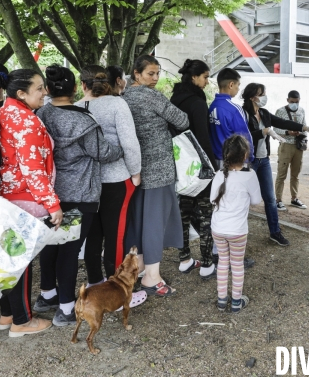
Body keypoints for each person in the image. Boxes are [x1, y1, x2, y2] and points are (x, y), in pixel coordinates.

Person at [35, 65, 127, 326]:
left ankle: (47, 294)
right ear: (77, 88)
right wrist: (119, 147)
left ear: (48, 90)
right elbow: (104, 153)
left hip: (50, 193)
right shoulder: (82, 121)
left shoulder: (41, 114)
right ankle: (65, 308)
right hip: (80, 194)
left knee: (51, 244)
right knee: (70, 249)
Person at [0, 68, 59, 337]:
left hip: (4, 197)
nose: (45, 93)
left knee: (4, 259)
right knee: (20, 262)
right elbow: (33, 169)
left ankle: (7, 315)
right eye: (40, 88)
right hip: (25, 198)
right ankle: (22, 321)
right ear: (21, 93)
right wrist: (52, 203)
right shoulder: (26, 121)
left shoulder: (1, 114)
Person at [74, 65, 143, 301]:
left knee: (93, 232)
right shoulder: (117, 104)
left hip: (85, 181)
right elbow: (129, 143)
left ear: (83, 84)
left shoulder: (75, 107)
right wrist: (135, 172)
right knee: (116, 235)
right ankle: (119, 288)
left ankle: (95, 281)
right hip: (116, 177)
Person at [123, 55, 189, 297]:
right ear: (136, 73)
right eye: (150, 73)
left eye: (158, 73)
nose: (155, 78)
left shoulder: (124, 97)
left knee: (137, 220)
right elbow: (182, 120)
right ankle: (152, 277)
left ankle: (136, 267)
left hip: (134, 170)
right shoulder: (152, 96)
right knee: (154, 223)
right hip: (158, 169)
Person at [242, 83, 309, 247]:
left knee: (270, 199)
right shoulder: (243, 114)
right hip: (248, 161)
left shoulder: (264, 113)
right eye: (262, 94)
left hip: (263, 160)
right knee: (243, 199)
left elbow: (283, 122)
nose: (265, 96)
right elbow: (242, 135)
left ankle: (275, 232)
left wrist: (307, 127)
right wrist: (263, 132)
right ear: (252, 97)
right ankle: (238, 234)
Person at [170, 59, 219, 279]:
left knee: (184, 213)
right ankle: (208, 263)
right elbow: (203, 137)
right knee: (207, 215)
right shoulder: (197, 103)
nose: (207, 81)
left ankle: (184, 259)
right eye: (205, 77)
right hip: (199, 167)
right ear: (194, 77)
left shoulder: (175, 99)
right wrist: (212, 168)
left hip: (180, 164)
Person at [210, 135, 261, 313]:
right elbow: (256, 200)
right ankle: (237, 301)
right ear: (245, 154)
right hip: (237, 231)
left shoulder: (218, 175)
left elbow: (211, 199)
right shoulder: (250, 175)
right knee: (237, 264)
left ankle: (222, 300)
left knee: (223, 262)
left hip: (217, 228)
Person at [209, 68, 254, 165]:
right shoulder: (234, 109)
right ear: (231, 85)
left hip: (214, 161)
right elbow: (244, 137)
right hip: (233, 163)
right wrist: (250, 158)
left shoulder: (211, 106)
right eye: (238, 85)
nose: (238, 89)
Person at [273, 90, 308, 211]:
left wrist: (303, 137)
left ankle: (294, 198)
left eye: (297, 102)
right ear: (287, 100)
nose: (294, 104)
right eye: (292, 102)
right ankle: (278, 200)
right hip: (286, 145)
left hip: (298, 146)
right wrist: (288, 132)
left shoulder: (302, 110)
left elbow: (305, 126)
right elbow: (275, 129)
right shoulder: (281, 111)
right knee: (281, 174)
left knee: (295, 174)